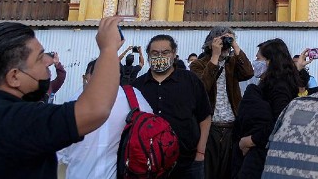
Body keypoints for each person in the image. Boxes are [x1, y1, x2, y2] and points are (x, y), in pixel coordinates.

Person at [0, 17, 125, 179]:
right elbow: (94, 110)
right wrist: (108, 49)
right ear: (14, 77)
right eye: (40, 58)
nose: (47, 63)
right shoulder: (17, 119)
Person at [57, 58, 155, 179]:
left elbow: (59, 150)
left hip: (79, 173)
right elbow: (152, 130)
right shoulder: (134, 96)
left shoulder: (73, 104)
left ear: (87, 77)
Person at [134, 34, 211, 179]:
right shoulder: (137, 86)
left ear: (174, 54)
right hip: (148, 164)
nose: (160, 56)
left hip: (188, 163)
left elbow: (205, 117)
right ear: (148, 55)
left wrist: (200, 152)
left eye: (165, 52)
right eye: (155, 53)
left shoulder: (190, 80)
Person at [190, 26, 254, 179]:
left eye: (228, 40)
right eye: (222, 40)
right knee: (208, 172)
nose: (225, 44)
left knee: (228, 172)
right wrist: (214, 57)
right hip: (209, 128)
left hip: (232, 127)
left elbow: (248, 73)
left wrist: (235, 46)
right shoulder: (198, 64)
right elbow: (202, 87)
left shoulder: (231, 63)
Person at [232, 39, 300, 179]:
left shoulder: (279, 86)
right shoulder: (269, 82)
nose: (255, 62)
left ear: (269, 61)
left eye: (258, 58)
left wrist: (251, 140)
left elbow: (280, 121)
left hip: (263, 152)